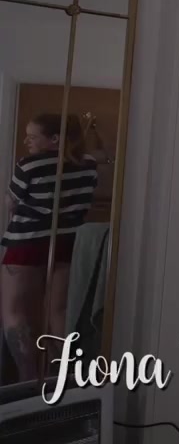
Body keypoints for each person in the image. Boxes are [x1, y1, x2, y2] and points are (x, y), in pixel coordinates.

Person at [2, 113, 97, 381]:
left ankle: (28, 379)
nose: (26, 141)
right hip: (67, 243)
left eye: (33, 137)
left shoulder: (29, 165)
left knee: (14, 312)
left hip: (27, 243)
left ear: (55, 139)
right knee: (59, 311)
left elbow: (10, 203)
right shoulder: (88, 164)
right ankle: (64, 373)